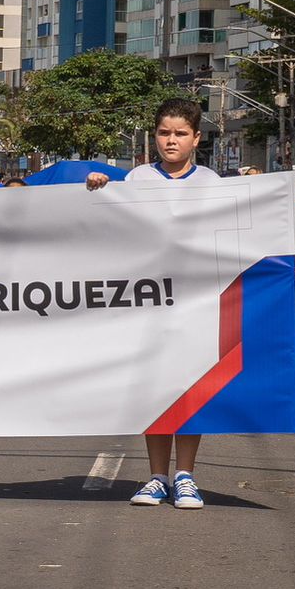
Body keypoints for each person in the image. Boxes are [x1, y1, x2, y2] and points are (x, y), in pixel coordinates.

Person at [87, 98, 222, 510]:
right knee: (155, 390)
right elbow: (113, 230)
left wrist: (278, 270)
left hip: (197, 306)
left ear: (196, 138)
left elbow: (236, 242)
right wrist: (97, 190)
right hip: (148, 306)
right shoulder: (138, 179)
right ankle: (156, 477)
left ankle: (186, 476)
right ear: (154, 135)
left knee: (190, 389)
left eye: (181, 133)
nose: (171, 140)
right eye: (164, 132)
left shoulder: (213, 184)